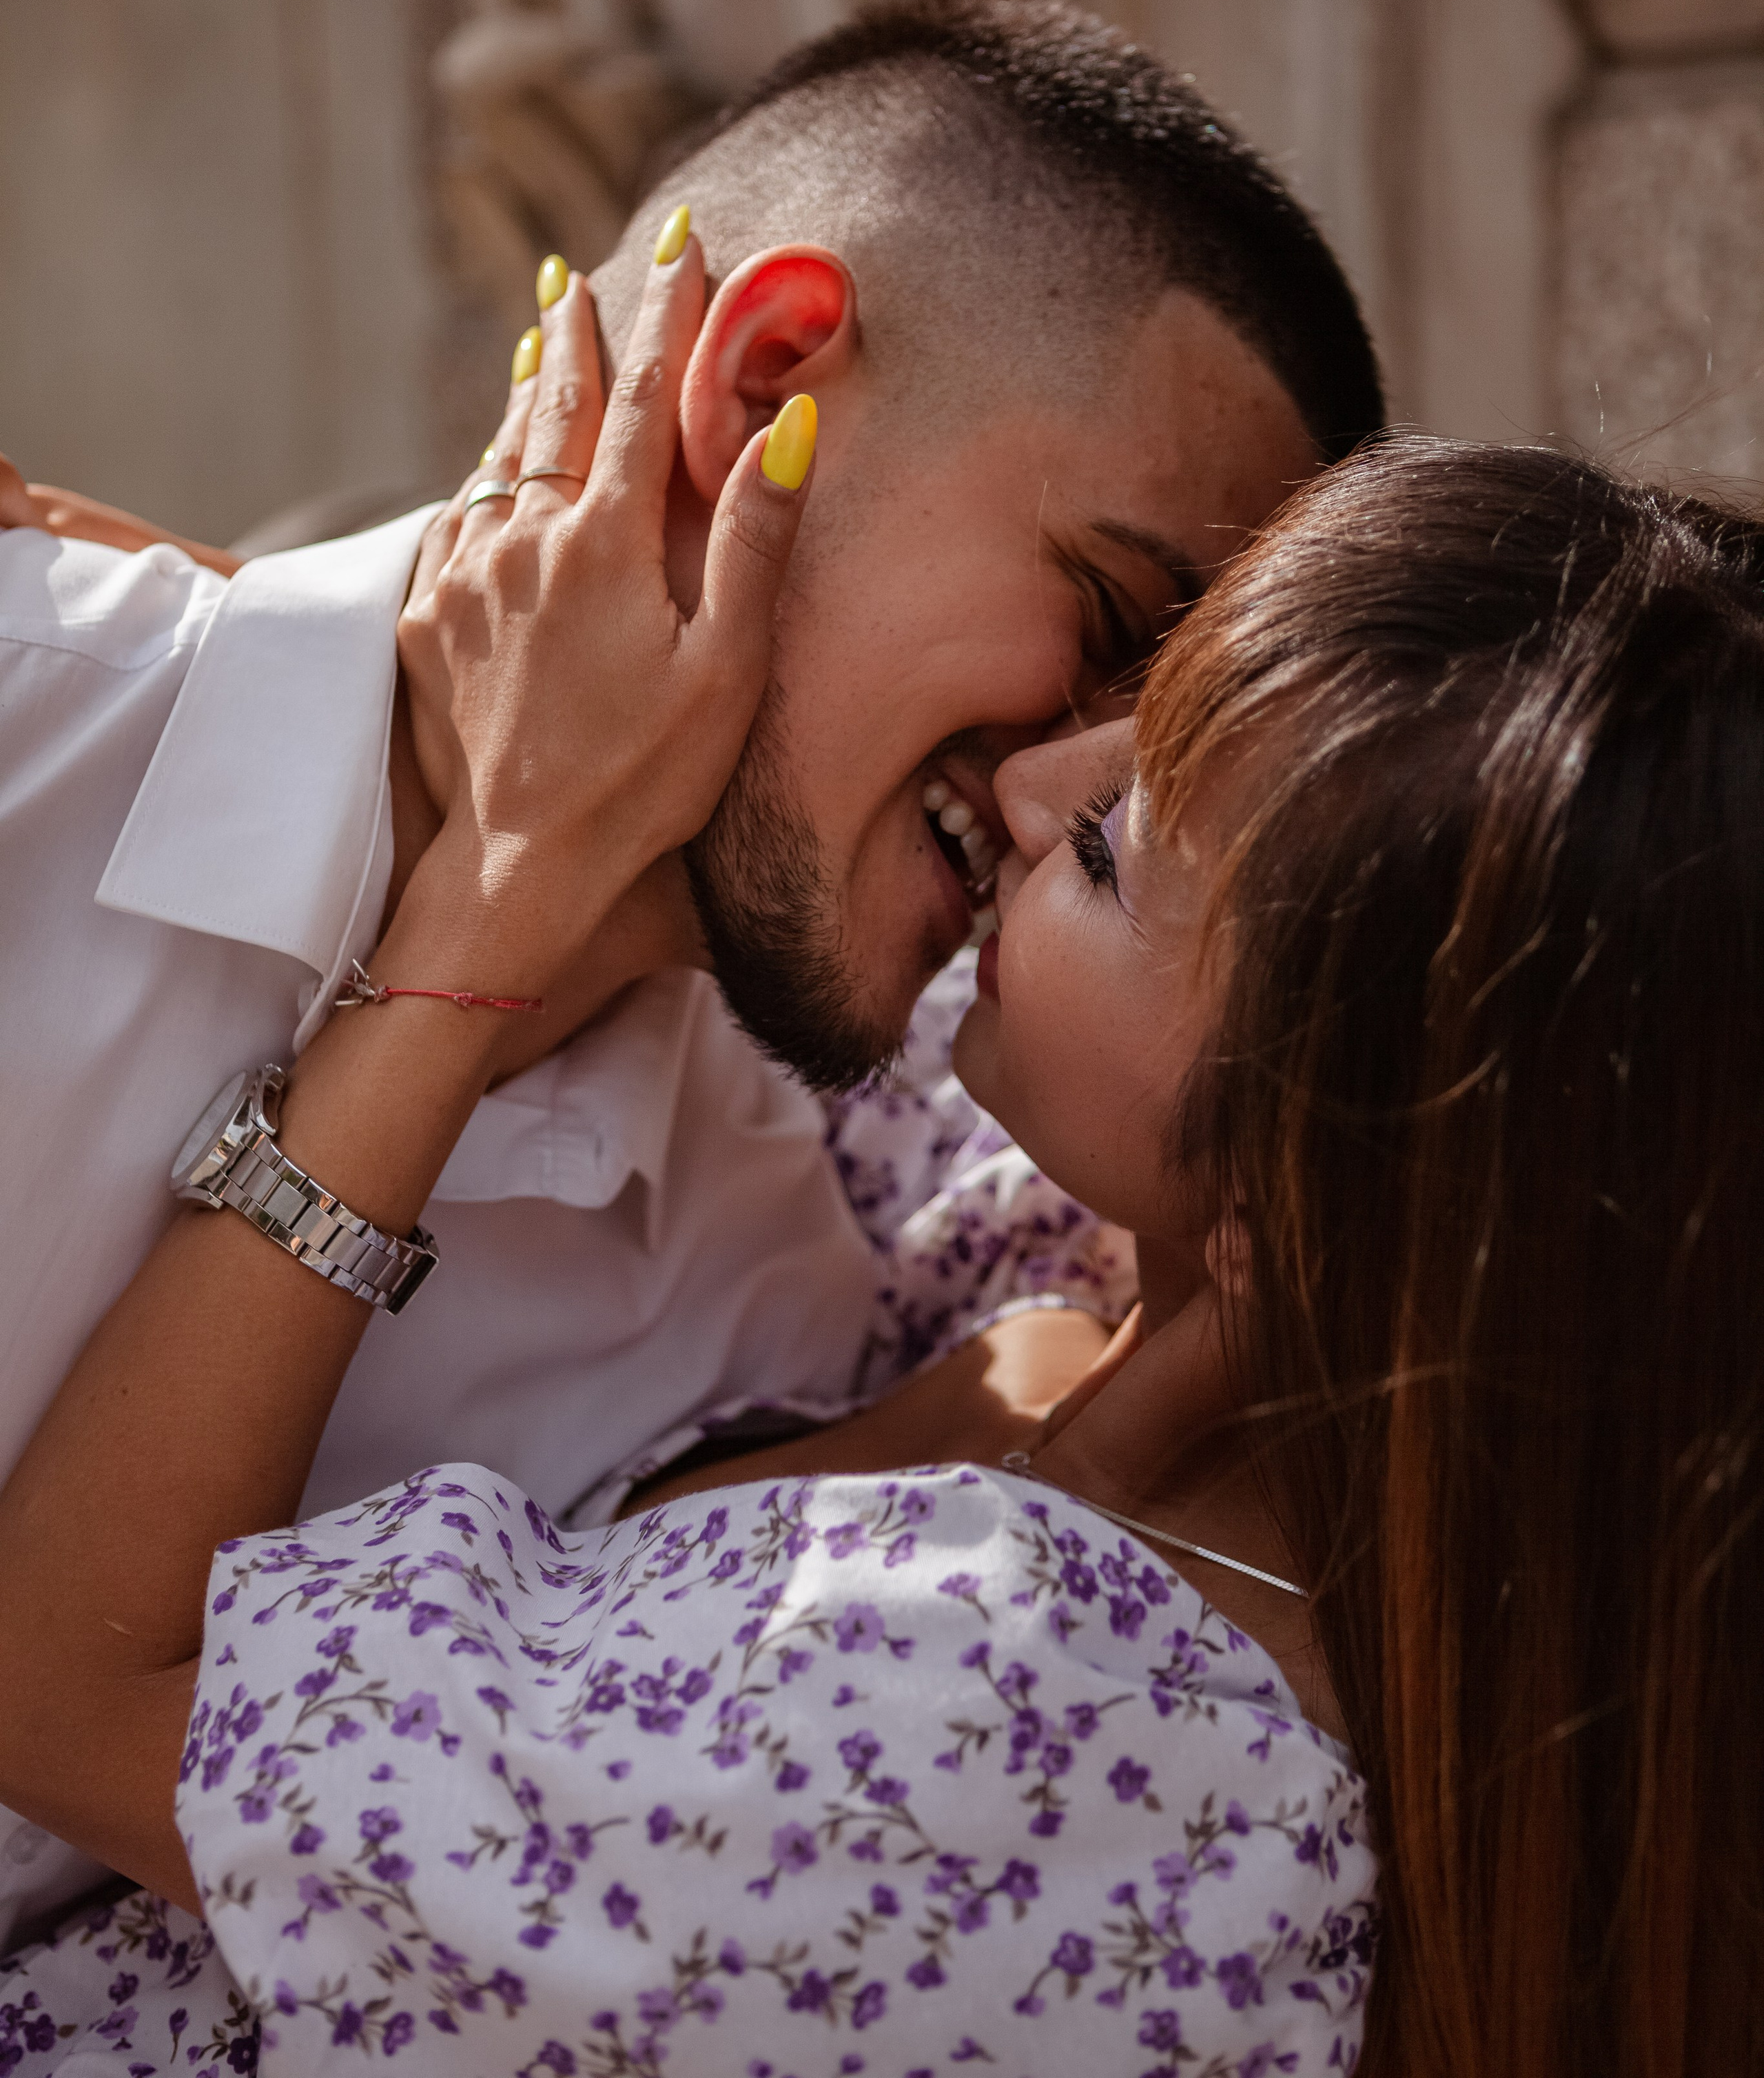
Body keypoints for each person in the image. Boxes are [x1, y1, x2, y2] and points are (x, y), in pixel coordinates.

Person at [7, 392, 1761, 2074]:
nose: (1024, 780)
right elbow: (751, 913)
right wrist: (236, 640)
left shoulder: (1020, 1756)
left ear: (1309, 1188)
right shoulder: (1065, 1257)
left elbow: (71, 1682)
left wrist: (490, 898)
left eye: (1101, 842)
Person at [0, 0, 1381, 1937]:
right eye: (1106, 614)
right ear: (763, 375)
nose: (1082, 768)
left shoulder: (771, 1321)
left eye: (1165, 742)